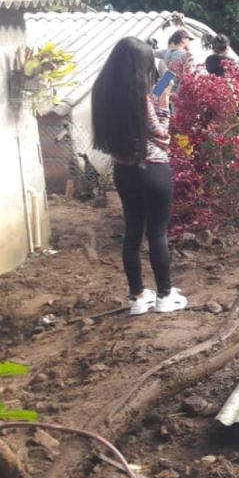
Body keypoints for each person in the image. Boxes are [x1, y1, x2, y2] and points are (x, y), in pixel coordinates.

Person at [91, 37, 188, 315]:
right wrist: (165, 102)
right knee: (157, 233)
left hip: (124, 171)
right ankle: (165, 296)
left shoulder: (102, 91)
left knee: (132, 233)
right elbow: (162, 135)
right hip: (154, 169)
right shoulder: (143, 95)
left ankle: (137, 297)